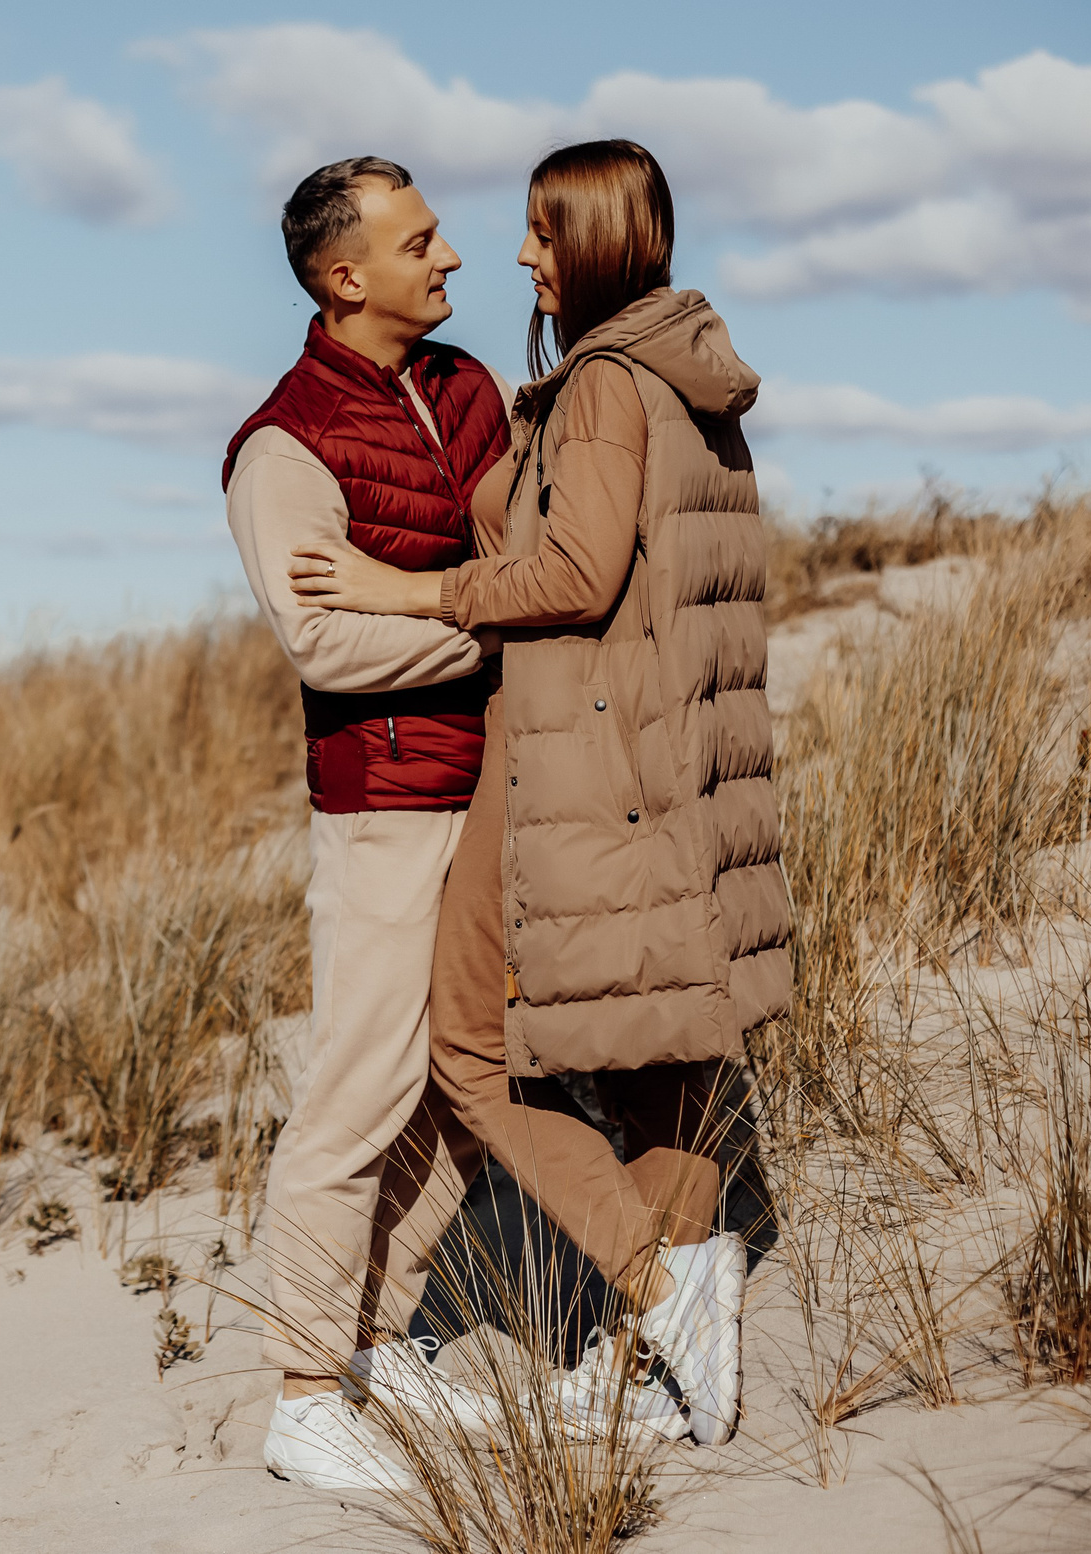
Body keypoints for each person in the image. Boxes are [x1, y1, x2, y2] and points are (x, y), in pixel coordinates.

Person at [289, 139, 790, 1448]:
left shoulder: (612, 384)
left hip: (577, 752)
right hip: (675, 756)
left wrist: (412, 589)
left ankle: (658, 1282)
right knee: (667, 1051)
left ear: (597, 245)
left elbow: (569, 572)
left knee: (471, 1044)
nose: (513, 255)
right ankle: (667, 1357)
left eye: (538, 235)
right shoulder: (690, 378)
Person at [219, 156, 515, 1492]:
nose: (452, 256)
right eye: (421, 240)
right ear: (347, 277)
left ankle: (379, 1343)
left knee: (464, 1083)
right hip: (386, 806)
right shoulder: (283, 443)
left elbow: (530, 567)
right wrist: (467, 611)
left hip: (496, 791)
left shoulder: (468, 391)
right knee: (358, 1096)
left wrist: (441, 591)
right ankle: (301, 1393)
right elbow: (326, 642)